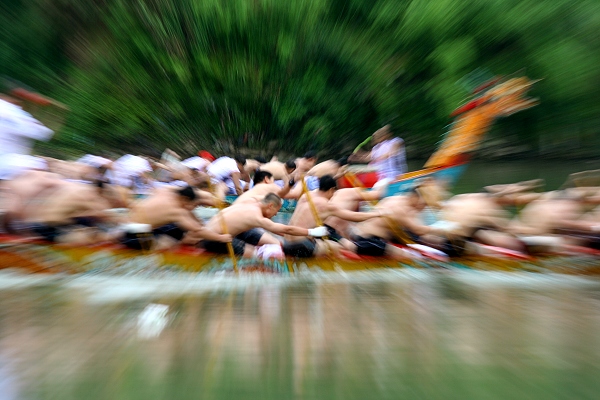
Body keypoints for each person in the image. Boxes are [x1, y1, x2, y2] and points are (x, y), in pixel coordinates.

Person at [282, 175, 384, 258]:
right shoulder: (326, 205)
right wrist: (376, 214)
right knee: (338, 247)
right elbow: (354, 216)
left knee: (323, 243)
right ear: (331, 190)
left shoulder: (306, 196)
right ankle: (344, 276)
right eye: (333, 193)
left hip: (286, 243)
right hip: (300, 246)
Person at [200, 193, 329, 257]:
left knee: (276, 244)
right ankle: (261, 258)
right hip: (213, 239)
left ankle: (281, 252)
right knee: (257, 255)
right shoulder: (256, 217)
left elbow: (284, 231)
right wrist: (312, 232)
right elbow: (286, 228)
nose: (274, 215)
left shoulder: (250, 201)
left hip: (230, 231)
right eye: (276, 212)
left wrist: (302, 235)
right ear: (270, 206)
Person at [121, 185, 231, 250]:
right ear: (185, 198)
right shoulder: (176, 211)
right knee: (170, 242)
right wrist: (220, 238)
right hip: (134, 237)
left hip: (128, 227)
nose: (190, 208)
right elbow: (198, 230)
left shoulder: (165, 191)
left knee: (176, 229)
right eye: (192, 205)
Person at [22, 181, 118, 245]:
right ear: (99, 191)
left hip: (38, 224)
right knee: (99, 235)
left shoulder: (78, 188)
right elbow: (103, 215)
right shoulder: (87, 194)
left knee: (89, 224)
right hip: (49, 227)